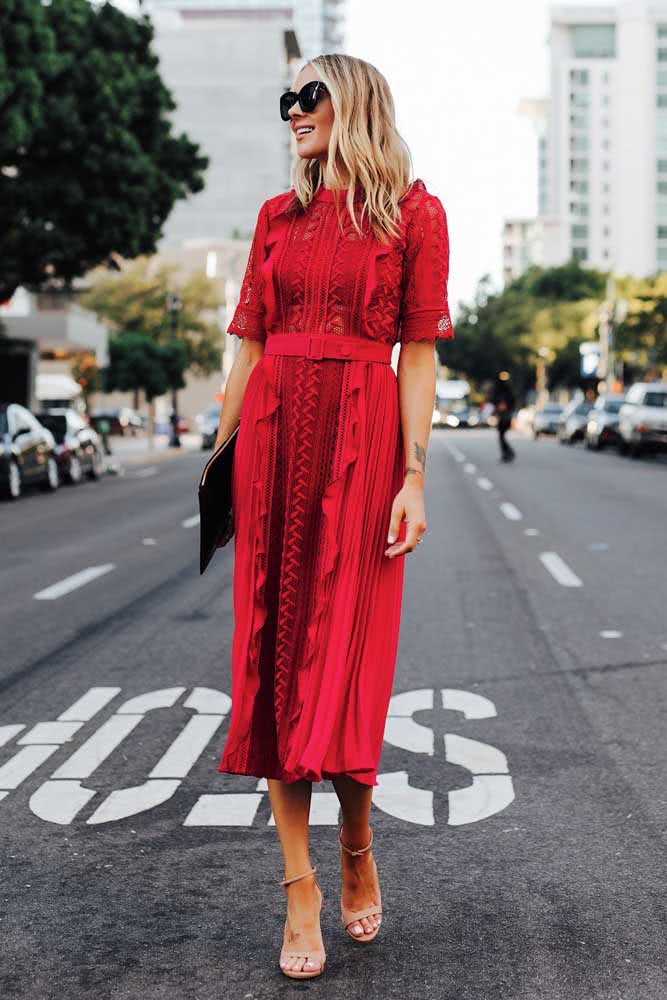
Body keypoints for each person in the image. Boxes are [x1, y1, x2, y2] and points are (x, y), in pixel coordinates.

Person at [212, 53, 454, 980]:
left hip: (362, 444)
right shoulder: (277, 218)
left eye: (307, 96)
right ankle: (299, 885)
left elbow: (419, 354)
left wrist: (414, 475)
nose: (292, 113)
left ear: (353, 103)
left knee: (346, 661)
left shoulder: (413, 214)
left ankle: (357, 843)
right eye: (286, 101)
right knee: (272, 660)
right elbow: (247, 345)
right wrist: (220, 458)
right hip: (272, 443)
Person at [492, 371, 516, 462]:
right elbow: (494, 401)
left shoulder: (507, 391)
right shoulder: (499, 391)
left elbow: (512, 402)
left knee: (501, 436)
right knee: (501, 436)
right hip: (502, 416)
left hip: (505, 417)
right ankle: (507, 453)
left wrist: (507, 409)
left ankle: (508, 452)